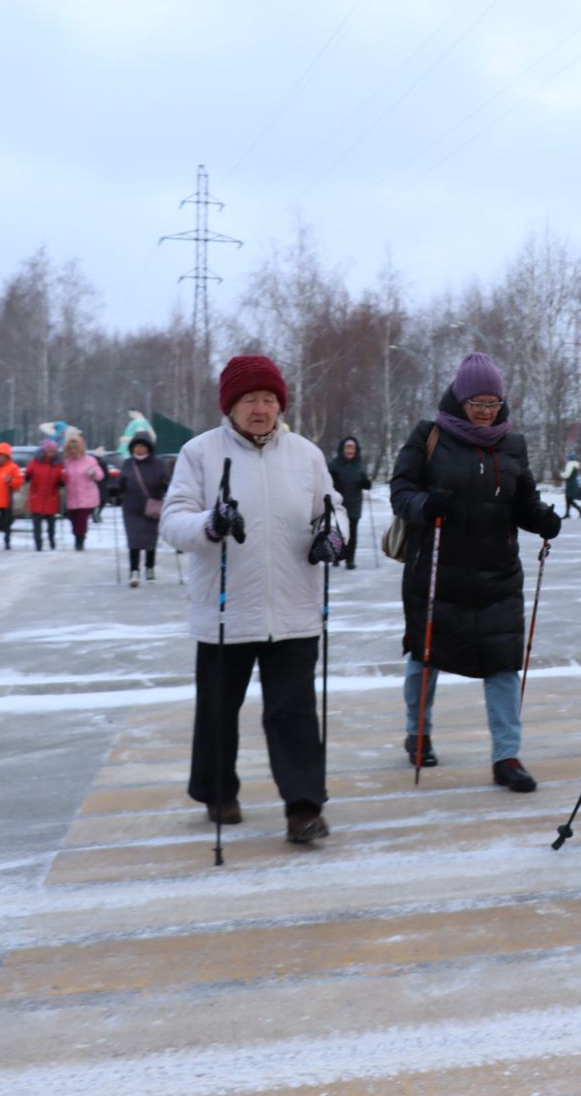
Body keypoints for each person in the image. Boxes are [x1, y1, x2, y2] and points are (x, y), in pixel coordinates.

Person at [161, 354, 342, 845]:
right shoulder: (200, 453)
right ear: (230, 405)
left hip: (294, 608)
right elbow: (173, 521)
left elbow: (331, 509)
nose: (261, 409)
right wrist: (210, 524)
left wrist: (333, 536)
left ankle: (303, 809)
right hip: (226, 607)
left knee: (295, 713)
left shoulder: (305, 454)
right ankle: (217, 790)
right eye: (249, 400)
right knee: (218, 709)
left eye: (269, 399)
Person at [390, 352, 560, 792]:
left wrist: (541, 519)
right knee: (425, 659)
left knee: (503, 666)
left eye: (493, 404)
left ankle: (507, 757)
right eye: (477, 403)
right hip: (436, 573)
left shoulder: (513, 444)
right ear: (459, 399)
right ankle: (418, 733)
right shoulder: (429, 436)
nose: (486, 412)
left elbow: (523, 503)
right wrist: (425, 505)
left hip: (497, 578)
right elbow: (401, 491)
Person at [120, 432, 172, 586]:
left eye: (142, 446)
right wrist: (115, 489)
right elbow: (121, 482)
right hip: (131, 508)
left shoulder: (158, 463)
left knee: (150, 540)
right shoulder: (128, 464)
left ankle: (150, 569)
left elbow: (166, 482)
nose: (139, 449)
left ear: (148, 447)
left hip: (152, 509)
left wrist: (165, 486)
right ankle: (134, 571)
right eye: (136, 446)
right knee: (134, 541)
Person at [326, 436, 371, 570]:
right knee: (338, 532)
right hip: (338, 504)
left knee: (352, 533)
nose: (350, 450)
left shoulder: (359, 465)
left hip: (354, 504)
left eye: (353, 447)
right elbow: (326, 482)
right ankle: (336, 557)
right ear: (342, 449)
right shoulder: (334, 464)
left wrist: (366, 483)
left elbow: (367, 484)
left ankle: (350, 560)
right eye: (348, 447)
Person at [58, 434, 105, 550]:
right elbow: (62, 476)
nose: (73, 451)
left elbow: (100, 476)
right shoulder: (67, 462)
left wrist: (93, 473)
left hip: (87, 496)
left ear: (81, 448)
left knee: (81, 520)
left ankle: (80, 541)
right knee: (73, 519)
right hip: (72, 496)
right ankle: (77, 536)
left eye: (76, 448)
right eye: (71, 448)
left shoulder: (90, 460)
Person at [23, 440, 65, 550]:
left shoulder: (58, 464)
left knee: (51, 524)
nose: (51, 453)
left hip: (51, 498)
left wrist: (62, 481)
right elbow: (27, 473)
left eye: (53, 451)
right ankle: (38, 545)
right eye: (49, 451)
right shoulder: (35, 462)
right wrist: (27, 477)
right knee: (37, 525)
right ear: (44, 450)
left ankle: (52, 542)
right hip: (36, 497)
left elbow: (61, 477)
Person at [560, 451, 581, 518]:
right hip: (574, 483)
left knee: (569, 499)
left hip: (570, 484)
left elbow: (566, 475)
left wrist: (561, 474)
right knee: (569, 499)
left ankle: (579, 511)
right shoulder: (576, 464)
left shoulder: (570, 464)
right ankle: (568, 514)